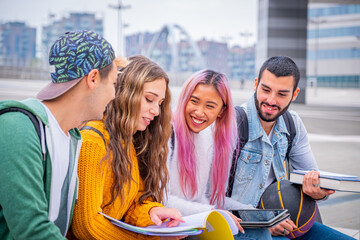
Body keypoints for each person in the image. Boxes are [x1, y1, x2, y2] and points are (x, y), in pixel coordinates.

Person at [0, 30, 118, 239]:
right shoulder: (17, 127)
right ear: (92, 78)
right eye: (114, 84)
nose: (114, 94)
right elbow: (31, 230)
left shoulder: (73, 138)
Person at [229, 56, 355, 239]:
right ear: (255, 84)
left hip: (288, 223)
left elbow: (313, 178)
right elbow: (209, 199)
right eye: (266, 90)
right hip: (241, 227)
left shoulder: (293, 124)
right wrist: (263, 222)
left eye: (282, 94)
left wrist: (318, 193)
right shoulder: (232, 124)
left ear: (294, 94)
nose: (271, 100)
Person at [70, 55, 184, 240]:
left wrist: (153, 212)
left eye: (160, 103)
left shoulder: (128, 141)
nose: (156, 111)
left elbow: (133, 202)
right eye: (149, 99)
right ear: (124, 93)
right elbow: (86, 226)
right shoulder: (93, 141)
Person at [165, 69, 271, 239]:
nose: (199, 112)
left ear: (221, 111)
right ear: (184, 99)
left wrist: (256, 214)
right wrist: (213, 213)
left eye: (210, 106)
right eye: (194, 101)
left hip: (197, 220)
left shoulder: (211, 138)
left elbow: (208, 197)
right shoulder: (166, 134)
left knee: (261, 231)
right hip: (173, 227)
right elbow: (161, 199)